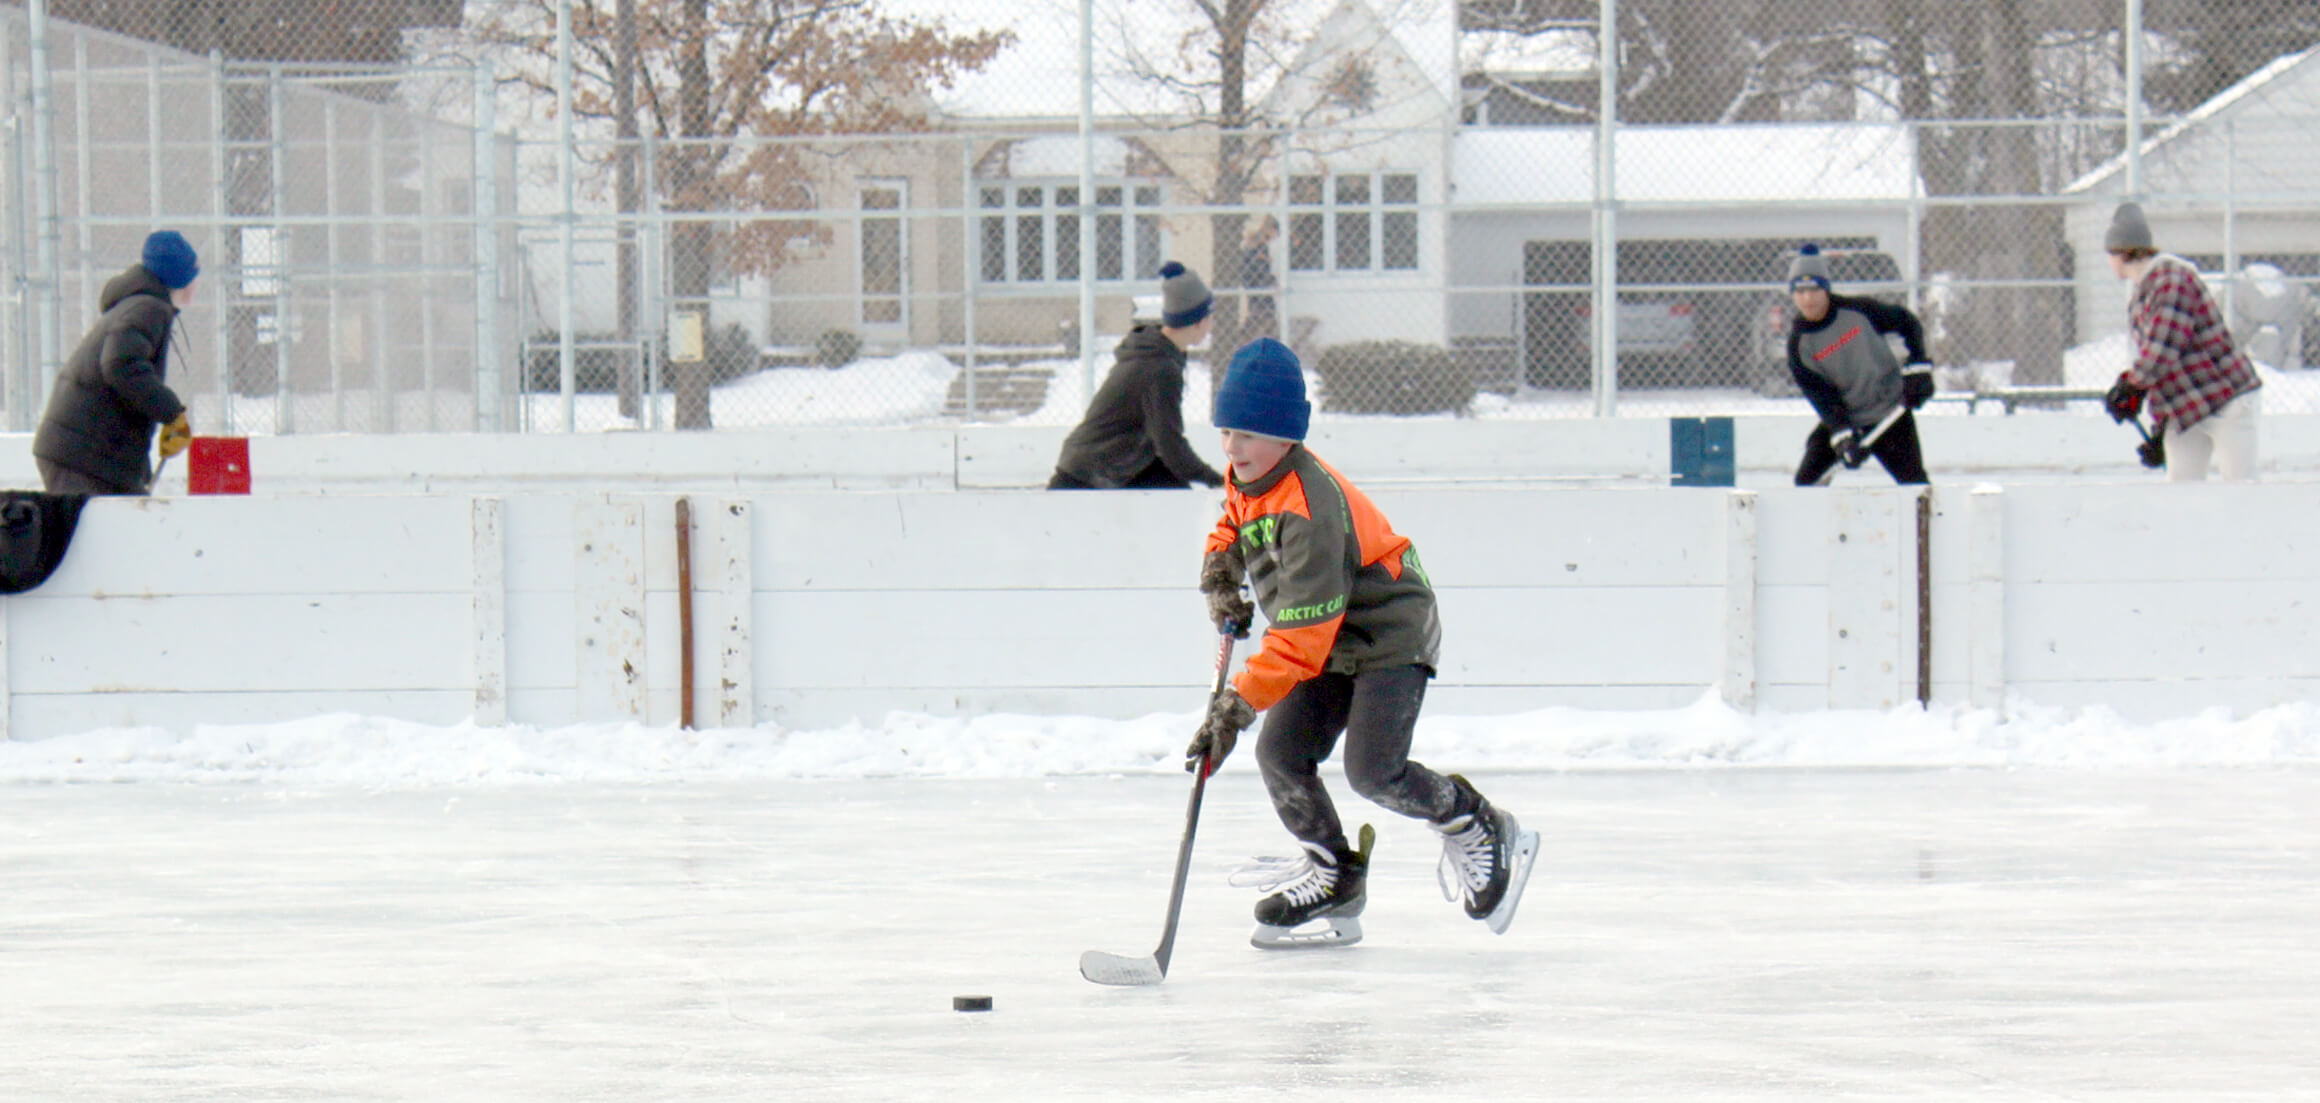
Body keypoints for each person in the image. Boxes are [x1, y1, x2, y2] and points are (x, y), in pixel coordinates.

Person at [1186, 337, 1537, 949]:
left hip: (1387, 632)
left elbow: (1301, 639)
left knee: (1374, 771)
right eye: (1226, 431)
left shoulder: (1312, 509)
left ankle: (1476, 821)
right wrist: (1221, 570)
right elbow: (1234, 521)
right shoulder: (1250, 472)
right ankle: (1335, 877)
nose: (1232, 447)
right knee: (1282, 755)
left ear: (1286, 436)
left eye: (1247, 433)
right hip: (1327, 634)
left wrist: (1236, 707)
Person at [2099, 202, 2262, 482]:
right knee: (2181, 490)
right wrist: (2159, 433)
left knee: (2241, 489)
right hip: (2188, 408)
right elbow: (2164, 371)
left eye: (2109, 253)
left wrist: (2131, 386)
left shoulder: (2171, 280)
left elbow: (2163, 351)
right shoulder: (2143, 292)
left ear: (2122, 251)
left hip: (2227, 399)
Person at [34, 231, 197, 496]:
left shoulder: (138, 305)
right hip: (84, 455)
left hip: (84, 451)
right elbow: (121, 365)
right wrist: (171, 412)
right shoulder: (149, 309)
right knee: (106, 522)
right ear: (180, 279)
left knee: (120, 517)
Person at [1047, 261, 1226, 490]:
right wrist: (1215, 480)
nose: (1211, 325)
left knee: (1175, 491)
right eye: (1210, 318)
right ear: (1198, 321)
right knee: (1178, 497)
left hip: (1106, 463)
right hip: (1089, 472)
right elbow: (1169, 444)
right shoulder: (1160, 367)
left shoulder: (1156, 352)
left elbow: (1162, 443)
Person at [1783, 242, 1935, 486]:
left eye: (1814, 289)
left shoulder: (1859, 311)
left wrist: (1918, 370)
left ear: (1826, 288)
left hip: (1891, 413)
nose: (1808, 298)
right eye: (1800, 291)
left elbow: (1908, 323)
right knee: (1806, 483)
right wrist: (1843, 436)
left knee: (1915, 488)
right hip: (1850, 420)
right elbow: (1823, 398)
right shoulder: (1799, 347)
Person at [1236, 215, 1279, 352]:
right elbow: (1257, 267)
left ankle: (1258, 342)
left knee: (1263, 314)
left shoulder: (1260, 245)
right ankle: (1244, 341)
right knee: (1262, 313)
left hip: (1257, 284)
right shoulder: (1258, 245)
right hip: (1256, 284)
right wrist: (1271, 280)